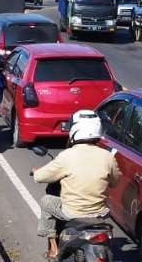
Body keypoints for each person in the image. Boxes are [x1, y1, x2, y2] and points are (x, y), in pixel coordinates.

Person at [33, 110, 120, 260]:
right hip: (99, 213)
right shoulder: (108, 157)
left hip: (72, 212)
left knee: (46, 200)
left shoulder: (67, 156)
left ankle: (53, 248)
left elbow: (40, 177)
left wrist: (35, 171)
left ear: (75, 130)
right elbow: (115, 181)